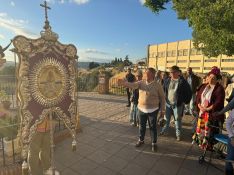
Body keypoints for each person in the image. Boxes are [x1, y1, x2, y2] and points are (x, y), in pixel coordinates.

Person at [118, 67, 165, 151]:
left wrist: (163, 110)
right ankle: (141, 140)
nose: (146, 74)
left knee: (153, 127)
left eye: (148, 73)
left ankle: (154, 143)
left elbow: (162, 98)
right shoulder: (141, 83)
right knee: (142, 126)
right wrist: (124, 83)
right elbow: (132, 85)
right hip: (141, 109)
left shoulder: (158, 85)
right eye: (146, 73)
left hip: (153, 110)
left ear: (153, 75)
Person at [192, 66, 225, 150]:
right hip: (202, 112)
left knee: (208, 130)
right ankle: (200, 142)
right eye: (210, 77)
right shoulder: (204, 86)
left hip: (210, 114)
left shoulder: (219, 89)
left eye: (213, 78)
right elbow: (198, 97)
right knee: (201, 127)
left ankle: (208, 145)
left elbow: (218, 102)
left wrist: (207, 109)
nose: (211, 79)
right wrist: (199, 105)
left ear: (217, 79)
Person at [160, 65, 192, 141]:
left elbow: (189, 93)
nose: (172, 74)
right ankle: (164, 131)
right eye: (171, 72)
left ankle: (178, 134)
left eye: (174, 72)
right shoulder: (167, 80)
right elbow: (164, 90)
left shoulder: (183, 82)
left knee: (177, 120)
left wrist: (184, 101)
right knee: (166, 119)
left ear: (178, 72)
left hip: (177, 105)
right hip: (168, 103)